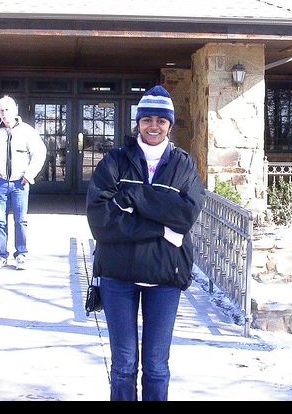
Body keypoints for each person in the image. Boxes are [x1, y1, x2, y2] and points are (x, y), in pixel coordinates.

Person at [86, 85, 205, 401]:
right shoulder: (114, 162)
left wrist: (132, 197)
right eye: (147, 119)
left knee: (156, 367)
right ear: (137, 122)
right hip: (118, 276)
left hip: (165, 277)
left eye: (161, 120)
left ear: (170, 124)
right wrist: (162, 229)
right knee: (123, 366)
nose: (154, 126)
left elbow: (186, 215)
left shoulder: (183, 164)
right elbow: (101, 221)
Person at [0, 95, 47, 270]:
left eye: (7, 110)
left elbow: (39, 153)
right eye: (1, 110)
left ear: (15, 110)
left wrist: (29, 175)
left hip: (20, 184)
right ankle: (1, 255)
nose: (4, 113)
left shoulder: (27, 131)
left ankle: (21, 254)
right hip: (0, 183)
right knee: (0, 221)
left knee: (21, 220)